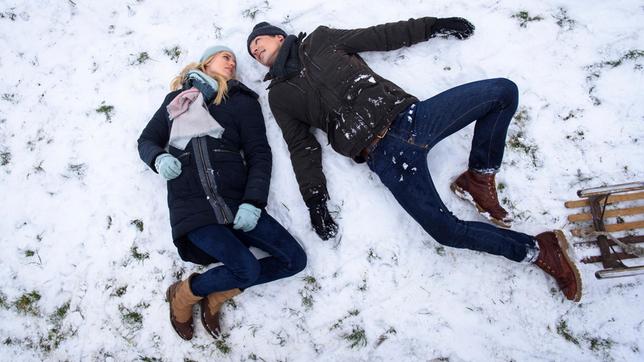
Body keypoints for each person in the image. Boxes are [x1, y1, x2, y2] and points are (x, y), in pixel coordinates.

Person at [246, 18, 582, 301]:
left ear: (279, 36)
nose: (257, 51)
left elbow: (380, 36)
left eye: (258, 42)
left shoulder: (320, 41)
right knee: (445, 231)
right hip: (384, 157)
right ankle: (537, 250)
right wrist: (315, 201)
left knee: (502, 92)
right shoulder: (280, 96)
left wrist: (435, 26)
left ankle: (479, 176)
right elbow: (302, 147)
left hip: (412, 120)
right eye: (253, 53)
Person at [137, 45, 307, 340]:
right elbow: (147, 140)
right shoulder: (176, 101)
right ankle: (184, 295)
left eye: (234, 60)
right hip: (194, 209)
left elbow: (258, 154)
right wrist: (158, 158)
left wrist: (253, 202)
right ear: (206, 63)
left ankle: (211, 292)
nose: (231, 62)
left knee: (294, 261)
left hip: (236, 202)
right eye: (225, 56)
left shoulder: (241, 102)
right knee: (247, 269)